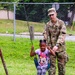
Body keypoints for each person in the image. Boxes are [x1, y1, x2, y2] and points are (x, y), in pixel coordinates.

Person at [43, 8, 69, 75]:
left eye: (52, 14)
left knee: (62, 69)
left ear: (56, 14)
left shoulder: (61, 23)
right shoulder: (48, 24)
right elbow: (45, 34)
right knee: (51, 69)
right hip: (51, 50)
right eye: (50, 15)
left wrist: (57, 45)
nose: (51, 16)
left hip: (61, 50)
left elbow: (62, 34)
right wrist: (46, 45)